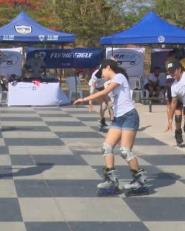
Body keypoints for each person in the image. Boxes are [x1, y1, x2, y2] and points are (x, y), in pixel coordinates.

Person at [74, 59, 147, 195]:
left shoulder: (119, 77)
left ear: (108, 67)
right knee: (106, 147)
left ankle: (139, 181)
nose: (101, 75)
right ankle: (111, 180)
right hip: (118, 119)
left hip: (129, 116)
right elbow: (106, 98)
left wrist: (85, 99)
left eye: (102, 71)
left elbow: (104, 92)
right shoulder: (109, 82)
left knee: (125, 151)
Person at [165, 60, 185, 146]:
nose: (172, 73)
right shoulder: (174, 86)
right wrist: (170, 119)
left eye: (173, 71)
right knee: (177, 115)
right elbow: (173, 103)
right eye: (170, 71)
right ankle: (178, 132)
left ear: (179, 69)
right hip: (182, 102)